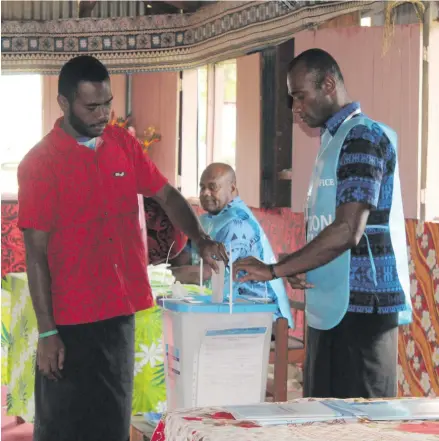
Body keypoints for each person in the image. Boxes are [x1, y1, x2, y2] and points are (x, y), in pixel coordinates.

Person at [18, 55, 227, 441]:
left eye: (108, 103)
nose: (103, 114)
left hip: (118, 313)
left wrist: (201, 238)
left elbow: (166, 195)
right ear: (64, 104)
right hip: (70, 321)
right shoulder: (40, 163)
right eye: (91, 106)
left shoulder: (121, 144)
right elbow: (35, 253)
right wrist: (48, 333)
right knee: (65, 427)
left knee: (112, 423)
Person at [234, 49, 412, 399]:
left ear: (328, 84)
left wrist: (276, 270)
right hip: (331, 307)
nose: (294, 107)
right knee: (321, 417)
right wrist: (305, 267)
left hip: (363, 310)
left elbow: (348, 230)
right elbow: (324, 227)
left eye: (300, 95)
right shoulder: (333, 140)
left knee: (360, 425)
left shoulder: (362, 137)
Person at [171, 162, 293, 328]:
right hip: (229, 309)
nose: (205, 193)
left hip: (260, 315)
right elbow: (183, 258)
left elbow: (207, 273)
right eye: (202, 187)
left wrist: (159, 278)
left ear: (233, 188)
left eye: (213, 187)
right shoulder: (207, 220)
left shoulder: (237, 222)